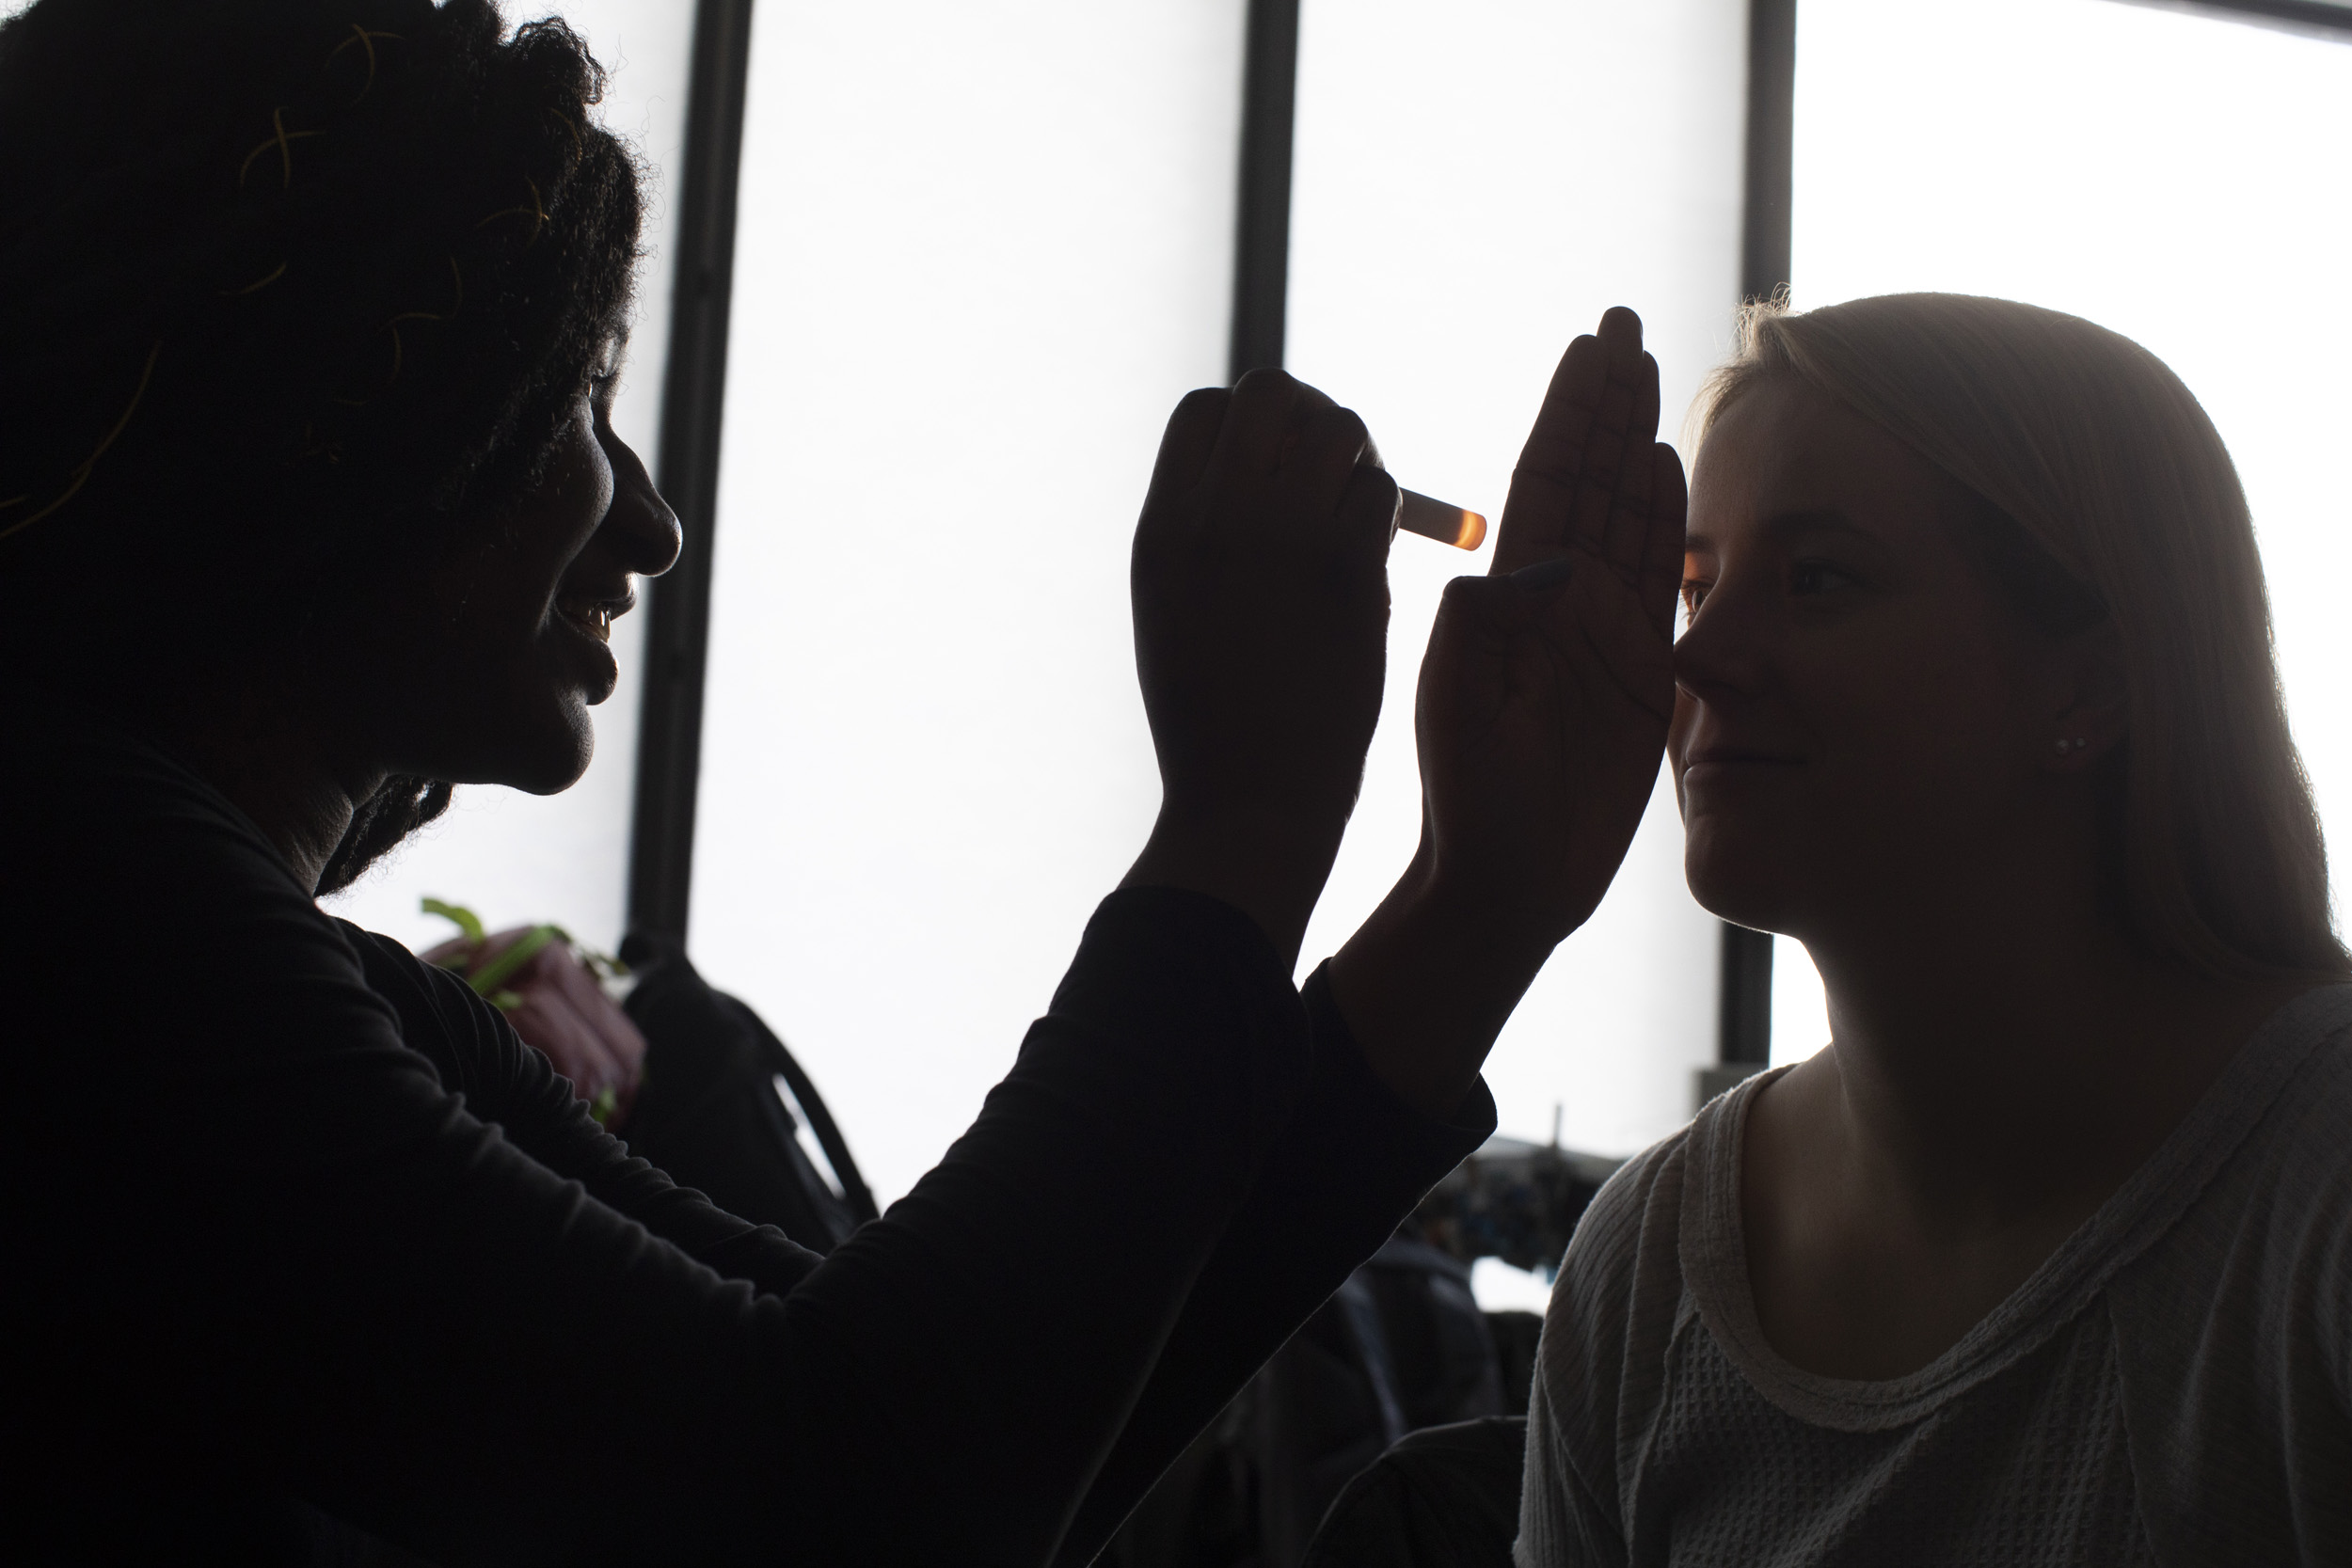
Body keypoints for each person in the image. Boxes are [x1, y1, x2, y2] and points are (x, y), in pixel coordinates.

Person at [0, 3, 1687, 1561]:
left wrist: (1473, 913)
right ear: (334, 406)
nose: (648, 524)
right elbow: (843, 1500)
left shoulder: (220, 957)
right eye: (580, 395)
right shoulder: (86, 925)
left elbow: (983, 1411)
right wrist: (1242, 824)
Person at [1518, 293, 2352, 1564]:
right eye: (1697, 588)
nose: (1698, 662)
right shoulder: (1648, 1268)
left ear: (2091, 682)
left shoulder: (2314, 1201)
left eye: (1819, 580)